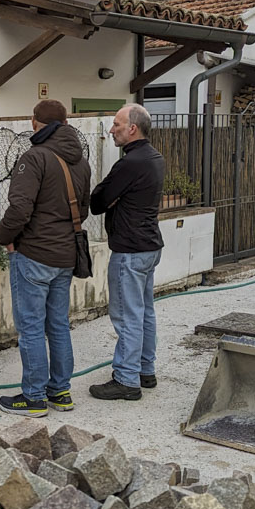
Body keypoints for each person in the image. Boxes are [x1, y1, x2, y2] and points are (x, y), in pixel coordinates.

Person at [0, 100, 91, 417]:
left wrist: (4, 238)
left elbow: (19, 209)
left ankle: (34, 398)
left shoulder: (34, 157)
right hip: (65, 256)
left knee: (32, 328)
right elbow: (84, 210)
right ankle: (60, 393)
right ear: (65, 123)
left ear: (35, 123)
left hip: (34, 254)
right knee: (59, 326)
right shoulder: (81, 162)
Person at [88, 103, 165, 400]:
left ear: (132, 128)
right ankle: (145, 370)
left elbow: (97, 201)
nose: (112, 130)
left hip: (130, 250)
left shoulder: (129, 163)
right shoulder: (154, 158)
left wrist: (112, 200)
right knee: (144, 312)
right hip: (149, 246)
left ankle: (126, 380)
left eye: (117, 125)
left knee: (126, 315)